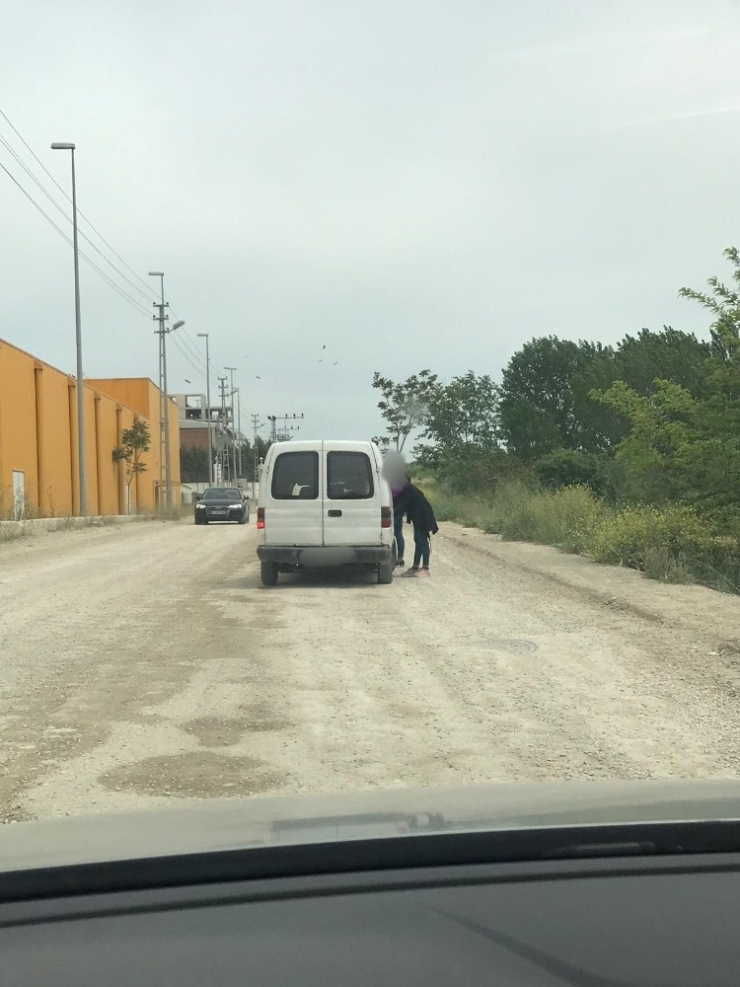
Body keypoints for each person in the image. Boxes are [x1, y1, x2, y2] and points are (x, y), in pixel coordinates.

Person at [401, 482, 439, 577]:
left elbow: (400, 505)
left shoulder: (406, 489)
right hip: (418, 516)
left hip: (422, 516)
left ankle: (425, 568)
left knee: (422, 541)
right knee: (418, 540)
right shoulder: (407, 488)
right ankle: (415, 566)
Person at [391, 478, 409, 568]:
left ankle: (391, 558)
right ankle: (400, 557)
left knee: (389, 533)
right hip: (401, 510)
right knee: (398, 533)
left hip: (394, 510)